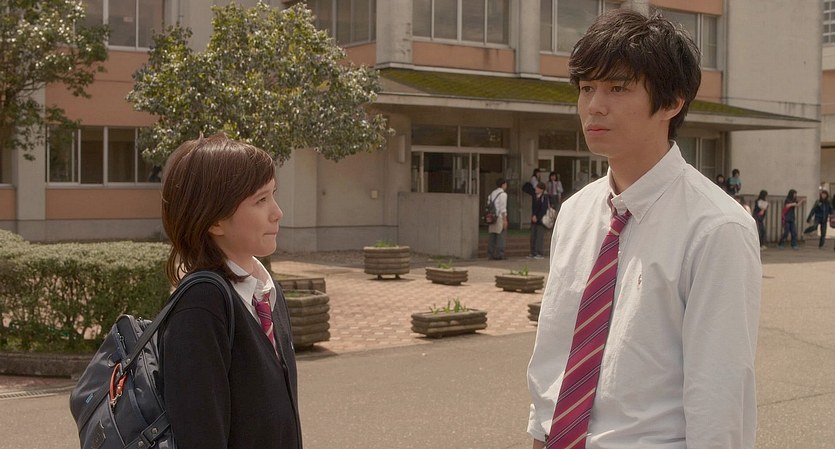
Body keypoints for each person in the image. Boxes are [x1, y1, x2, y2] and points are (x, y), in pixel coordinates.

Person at [527, 9, 761, 449]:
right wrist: (541, 432)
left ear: (672, 102)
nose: (594, 105)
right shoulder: (575, 213)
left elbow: (719, 394)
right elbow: (556, 348)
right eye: (586, 88)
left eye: (617, 88)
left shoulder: (716, 228)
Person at [159, 133, 302, 449]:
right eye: (260, 200)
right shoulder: (201, 306)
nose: (277, 212)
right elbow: (199, 436)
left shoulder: (266, 292)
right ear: (214, 221)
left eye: (273, 195)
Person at [487, 177, 509, 260]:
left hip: (492, 217)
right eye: (505, 184)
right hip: (499, 217)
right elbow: (503, 209)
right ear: (503, 185)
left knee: (492, 236)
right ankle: (500, 254)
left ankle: (490, 253)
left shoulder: (492, 193)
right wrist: (505, 220)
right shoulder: (503, 194)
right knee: (501, 235)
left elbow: (488, 203)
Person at [529, 182, 550, 259]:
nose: (536, 189)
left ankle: (540, 253)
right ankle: (533, 252)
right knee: (533, 236)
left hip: (541, 220)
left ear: (542, 190)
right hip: (534, 219)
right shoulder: (534, 196)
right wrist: (533, 215)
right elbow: (533, 207)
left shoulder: (544, 197)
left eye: (538, 188)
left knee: (539, 237)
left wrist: (537, 217)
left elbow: (544, 209)